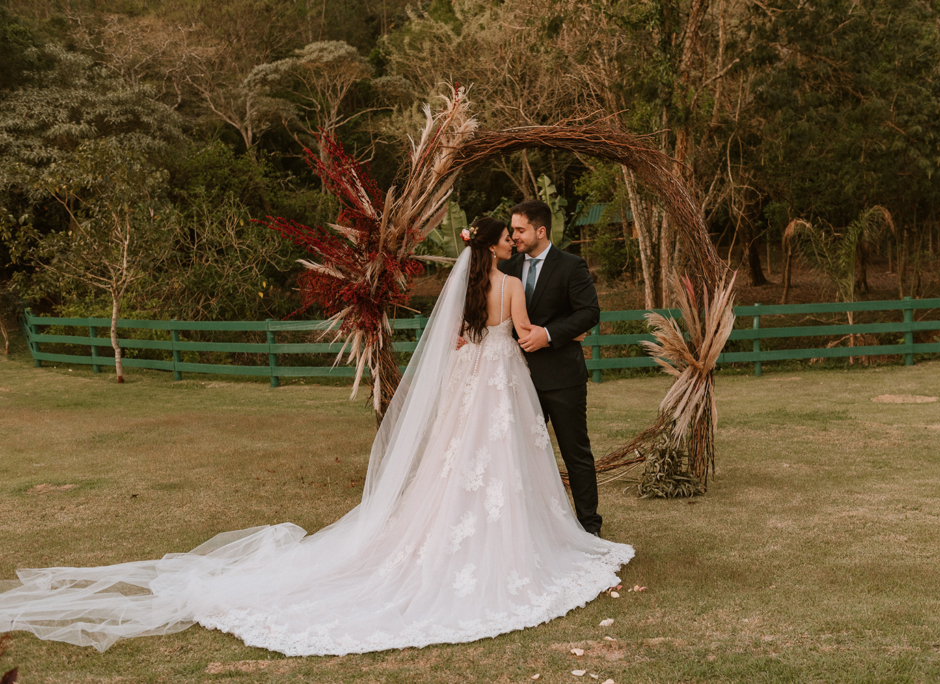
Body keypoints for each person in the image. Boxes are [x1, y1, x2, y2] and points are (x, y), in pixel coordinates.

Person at [0, 217, 632, 657]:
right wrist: (526, 341)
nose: (510, 244)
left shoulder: (462, 287)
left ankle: (442, 532)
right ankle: (518, 540)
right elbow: (518, 330)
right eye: (506, 238)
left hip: (469, 378)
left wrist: (482, 345)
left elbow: (459, 340)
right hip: (502, 376)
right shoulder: (514, 285)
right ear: (497, 245)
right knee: (503, 463)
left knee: (454, 462)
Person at [499, 200, 603, 537]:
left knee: (576, 454)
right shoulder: (508, 267)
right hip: (516, 377)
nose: (514, 236)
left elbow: (589, 312)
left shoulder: (571, 265)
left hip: (562, 377)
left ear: (540, 231)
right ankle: (533, 531)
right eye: (512, 230)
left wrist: (548, 334)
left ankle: (589, 527)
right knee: (520, 456)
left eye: (520, 230)